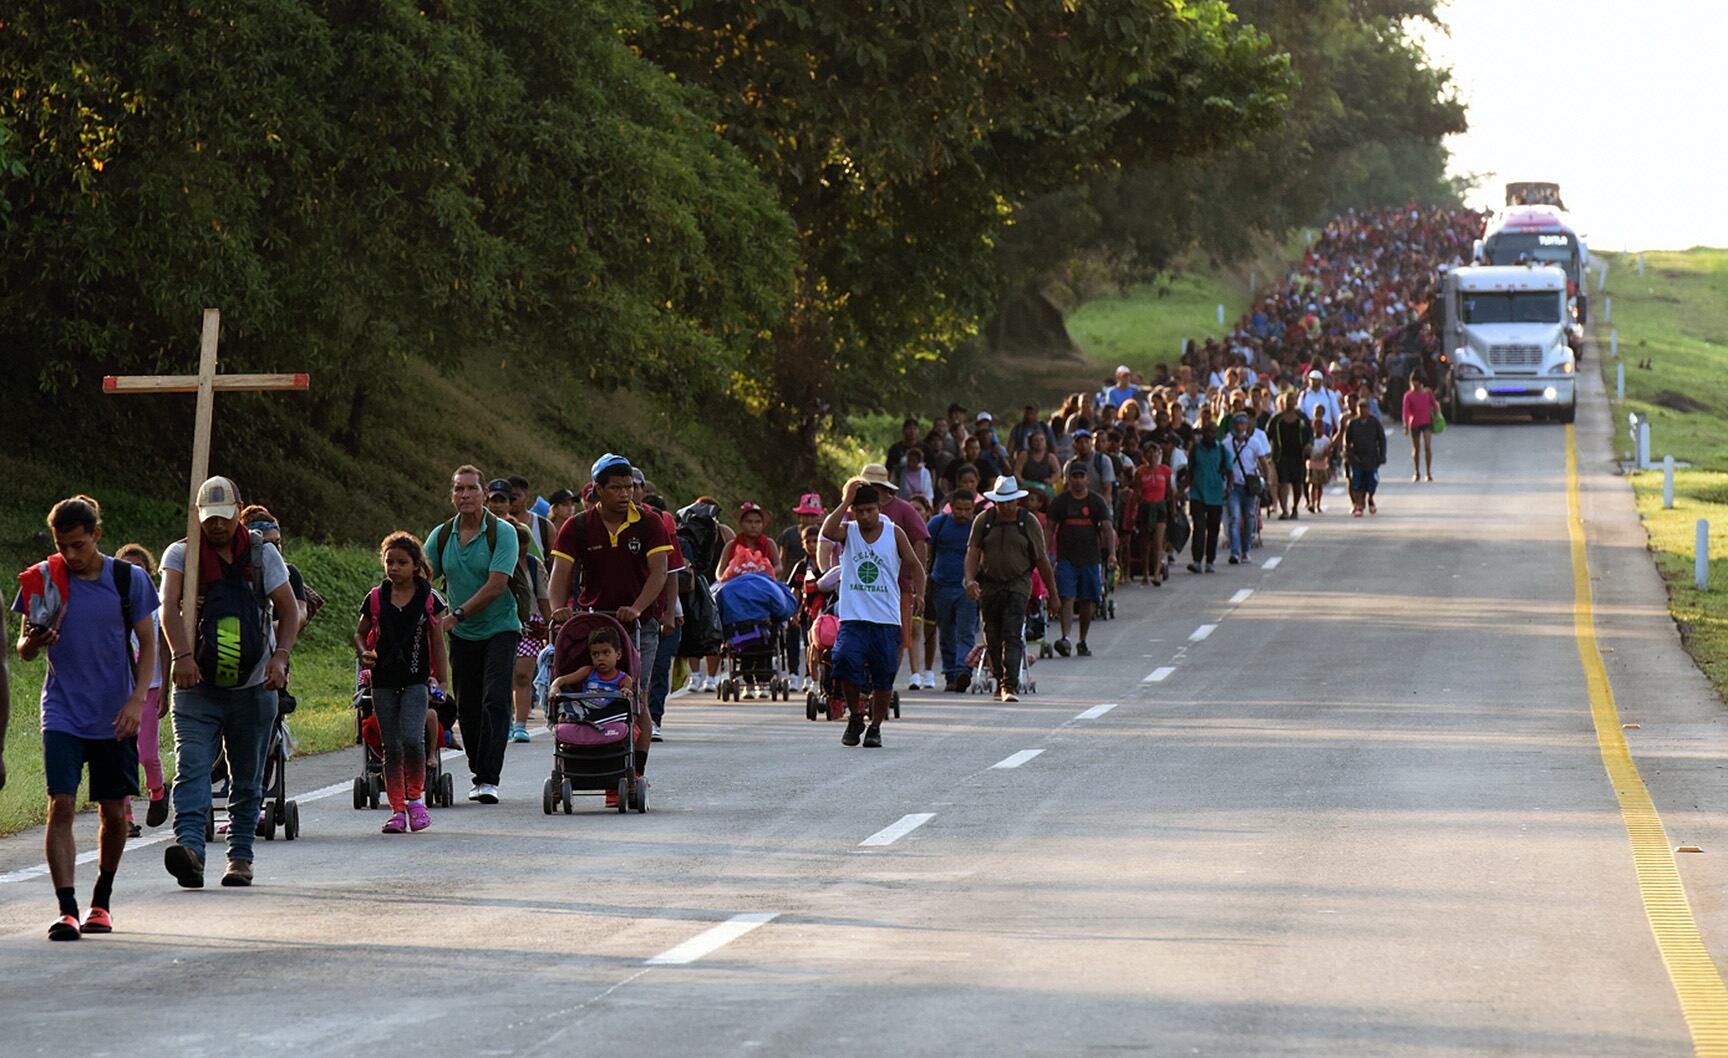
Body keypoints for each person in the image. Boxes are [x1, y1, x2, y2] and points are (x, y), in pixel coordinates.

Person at [13, 497, 159, 938]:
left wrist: (137, 701)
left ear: (96, 534)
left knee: (114, 812)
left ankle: (101, 902)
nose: (71, 555)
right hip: (62, 711)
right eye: (63, 546)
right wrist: (34, 642)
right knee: (60, 803)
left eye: (78, 544)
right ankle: (67, 909)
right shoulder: (44, 578)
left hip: (115, 714)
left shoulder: (127, 579)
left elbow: (149, 643)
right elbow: (23, 650)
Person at [159, 476, 300, 889]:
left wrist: (280, 657)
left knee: (247, 776)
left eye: (224, 517)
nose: (217, 526)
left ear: (239, 510)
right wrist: (182, 657)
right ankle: (190, 850)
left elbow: (289, 609)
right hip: (197, 686)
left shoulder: (262, 554)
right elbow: (167, 607)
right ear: (198, 516)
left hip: (254, 687)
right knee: (191, 768)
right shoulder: (181, 554)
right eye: (209, 519)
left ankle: (240, 857)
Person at [548, 454, 671, 802]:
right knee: (588, 692)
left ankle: (633, 771)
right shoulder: (579, 526)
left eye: (628, 487)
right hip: (595, 621)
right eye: (616, 488)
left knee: (635, 695)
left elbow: (659, 572)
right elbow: (561, 574)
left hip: (639, 623)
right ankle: (590, 763)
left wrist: (638, 607)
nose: (625, 494)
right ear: (597, 490)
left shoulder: (648, 522)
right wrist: (559, 608)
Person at [424, 466, 522, 805]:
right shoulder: (442, 535)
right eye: (458, 489)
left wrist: (455, 615)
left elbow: (497, 585)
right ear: (451, 495)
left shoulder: (502, 532)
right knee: (467, 706)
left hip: (500, 628)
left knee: (495, 699)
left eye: (471, 489)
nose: (465, 495)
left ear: (484, 494)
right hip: (462, 634)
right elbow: (421, 576)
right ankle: (477, 769)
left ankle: (488, 778)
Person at [355, 532, 449, 835]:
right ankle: (397, 810)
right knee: (391, 746)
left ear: (416, 565)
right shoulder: (375, 598)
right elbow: (360, 633)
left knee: (412, 739)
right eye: (389, 562)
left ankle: (416, 801)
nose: (394, 568)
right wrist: (364, 652)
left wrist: (443, 680)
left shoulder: (429, 598)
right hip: (382, 679)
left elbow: (438, 641)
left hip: (416, 679)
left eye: (401, 562)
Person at [820, 482, 925, 747]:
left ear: (879, 508)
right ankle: (856, 717)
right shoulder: (849, 531)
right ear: (853, 512)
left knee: (884, 677)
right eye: (859, 511)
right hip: (853, 618)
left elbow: (915, 565)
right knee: (844, 660)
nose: (865, 516)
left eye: (870, 510)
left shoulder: (894, 533)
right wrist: (845, 501)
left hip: (886, 620)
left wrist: (920, 594)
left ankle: (875, 727)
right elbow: (827, 532)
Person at [963, 477, 1057, 702]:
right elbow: (973, 552)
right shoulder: (984, 520)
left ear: (1017, 501)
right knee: (992, 635)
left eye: (1009, 501)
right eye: (1001, 502)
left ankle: (1009, 685)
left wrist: (1053, 594)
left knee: (1012, 633)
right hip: (989, 584)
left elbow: (1041, 559)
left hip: (1018, 584)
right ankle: (999, 679)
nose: (1005, 506)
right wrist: (970, 580)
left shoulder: (1028, 522)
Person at [483, 481, 550, 745]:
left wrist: (551, 628)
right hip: (496, 622)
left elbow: (543, 598)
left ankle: (520, 724)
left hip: (529, 625)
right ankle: (506, 721)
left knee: (522, 676)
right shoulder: (489, 562)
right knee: (503, 678)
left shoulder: (534, 566)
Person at [114, 543, 168, 835]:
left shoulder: (158, 605)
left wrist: (166, 688)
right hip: (119, 689)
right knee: (122, 754)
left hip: (150, 687)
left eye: (141, 570)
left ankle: (158, 791)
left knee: (146, 753)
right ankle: (125, 817)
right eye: (128, 570)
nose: (135, 575)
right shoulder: (111, 602)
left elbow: (165, 648)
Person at [1046, 465, 1114, 658]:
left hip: (1091, 558)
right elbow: (1049, 528)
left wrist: (1112, 553)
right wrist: (1044, 553)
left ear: (1087, 479)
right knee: (1067, 597)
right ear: (1068, 479)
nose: (1077, 480)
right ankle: (1065, 638)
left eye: (1081, 476)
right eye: (1074, 476)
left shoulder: (1096, 501)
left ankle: (1082, 640)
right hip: (1066, 558)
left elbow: (1107, 528)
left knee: (1087, 600)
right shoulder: (1060, 502)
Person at [925, 488, 979, 692]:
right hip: (942, 586)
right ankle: (950, 674)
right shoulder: (938, 524)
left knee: (966, 632)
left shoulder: (978, 526)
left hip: (968, 588)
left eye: (968, 509)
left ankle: (963, 670)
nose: (963, 513)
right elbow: (927, 552)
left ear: (973, 508)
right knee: (946, 632)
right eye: (959, 509)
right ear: (951, 507)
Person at [1224, 413, 1271, 564]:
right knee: (1235, 518)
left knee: (1250, 517)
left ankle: (1246, 550)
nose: (1240, 427)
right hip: (1233, 486)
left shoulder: (1254, 443)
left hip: (1249, 487)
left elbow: (1263, 463)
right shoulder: (1226, 444)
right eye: (1237, 424)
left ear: (1247, 425)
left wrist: (1267, 480)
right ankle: (1235, 552)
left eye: (1243, 424)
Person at [1185, 409, 1228, 573]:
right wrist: (1182, 490)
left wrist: (1229, 487)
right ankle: (1197, 560)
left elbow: (1229, 471)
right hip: (1197, 493)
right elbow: (1190, 472)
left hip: (1216, 494)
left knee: (1213, 529)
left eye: (1213, 432)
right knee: (1199, 527)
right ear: (1202, 433)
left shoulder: (1222, 450)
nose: (1210, 435)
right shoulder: (1195, 450)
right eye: (1207, 432)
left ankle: (1210, 560)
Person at [547, 625, 635, 699]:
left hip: (612, 712)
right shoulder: (588, 671)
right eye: (595, 654)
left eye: (606, 653)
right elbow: (562, 679)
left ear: (618, 654)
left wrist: (626, 692)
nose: (600, 658)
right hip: (585, 710)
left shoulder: (624, 679)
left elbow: (627, 696)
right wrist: (554, 687)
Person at [1131, 443, 1173, 586]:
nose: (1152, 456)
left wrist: (1173, 508)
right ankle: (1145, 574)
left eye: (1155, 453)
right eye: (1149, 453)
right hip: (1145, 507)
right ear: (1144, 456)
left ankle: (1156, 573)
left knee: (1158, 542)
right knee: (1145, 544)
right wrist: (1133, 511)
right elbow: (1136, 492)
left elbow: (1169, 491)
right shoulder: (1140, 472)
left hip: (1160, 507)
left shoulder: (1165, 471)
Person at [1268, 392, 1314, 521]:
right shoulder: (1276, 419)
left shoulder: (1302, 418)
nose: (1290, 402)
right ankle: (1284, 510)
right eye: (1288, 399)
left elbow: (1310, 433)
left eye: (1292, 399)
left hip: (1298, 455)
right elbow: (1268, 434)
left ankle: (1294, 508)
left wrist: (1309, 444)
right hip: (1281, 455)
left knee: (1297, 483)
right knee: (1283, 482)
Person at [1343, 395, 1388, 516]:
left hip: (1372, 459)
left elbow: (1382, 439)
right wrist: (1350, 456)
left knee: (1372, 482)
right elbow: (1347, 442)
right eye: (1360, 408)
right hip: (1357, 460)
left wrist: (1382, 455)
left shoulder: (1374, 422)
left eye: (1364, 408)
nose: (1362, 410)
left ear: (1368, 409)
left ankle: (1370, 498)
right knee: (1356, 483)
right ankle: (1358, 505)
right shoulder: (1353, 423)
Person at [716, 502, 780, 581]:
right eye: (749, 522)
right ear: (741, 523)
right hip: (735, 584)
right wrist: (724, 580)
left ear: (762, 524)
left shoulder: (769, 543)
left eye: (758, 522)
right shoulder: (731, 545)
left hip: (764, 583)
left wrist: (764, 573)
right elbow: (720, 569)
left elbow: (779, 566)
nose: (753, 526)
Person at [1402, 375, 1440, 482]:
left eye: (1415, 382)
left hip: (1427, 422)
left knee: (1427, 446)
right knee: (1416, 448)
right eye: (1412, 382)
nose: (1414, 384)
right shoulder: (1408, 395)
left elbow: (1434, 404)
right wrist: (1405, 425)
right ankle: (1416, 472)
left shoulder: (1428, 393)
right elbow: (1405, 411)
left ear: (1420, 383)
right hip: (1414, 424)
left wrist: (1437, 415)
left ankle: (1428, 472)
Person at [1013, 428, 1061, 493]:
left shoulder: (1051, 457)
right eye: (1036, 440)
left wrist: (1051, 480)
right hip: (1027, 486)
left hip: (1045, 487)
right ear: (1031, 442)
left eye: (1042, 440)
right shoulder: (1024, 455)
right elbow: (1017, 472)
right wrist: (1022, 482)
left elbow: (1058, 472)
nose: (1039, 443)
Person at [1306, 408, 1334, 514]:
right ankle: (1312, 503)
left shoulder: (1326, 440)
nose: (1319, 429)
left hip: (1321, 464)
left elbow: (1329, 454)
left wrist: (1327, 457)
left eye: (1321, 427)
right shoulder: (1310, 440)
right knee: (1312, 484)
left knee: (1320, 485)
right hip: (1312, 464)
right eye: (1317, 427)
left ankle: (1318, 504)